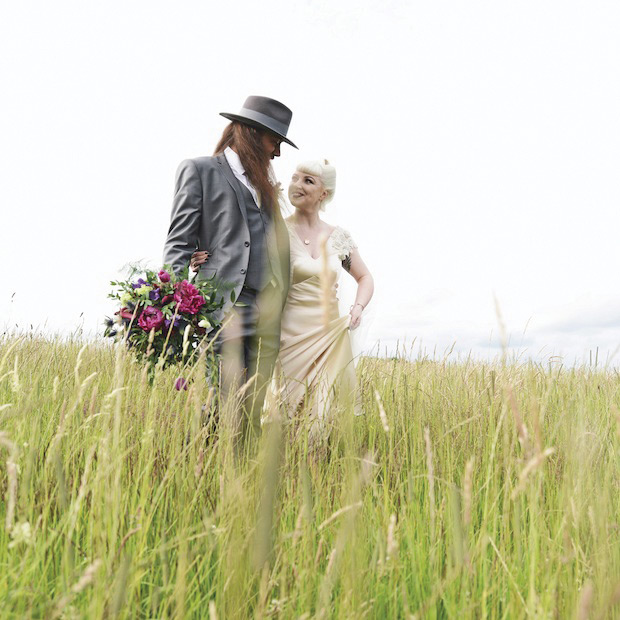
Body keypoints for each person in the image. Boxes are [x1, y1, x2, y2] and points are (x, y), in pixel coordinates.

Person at [191, 159, 374, 443]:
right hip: (288, 338)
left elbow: (365, 278)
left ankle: (315, 473)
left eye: (308, 181)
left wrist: (358, 307)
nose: (296, 185)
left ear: (323, 193)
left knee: (320, 420)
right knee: (284, 417)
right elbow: (237, 255)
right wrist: (205, 258)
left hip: (328, 338)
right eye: (294, 178)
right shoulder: (274, 231)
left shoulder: (338, 237)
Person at [163, 95, 296, 445]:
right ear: (252, 133)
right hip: (223, 309)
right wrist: (178, 307)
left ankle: (244, 484)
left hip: (266, 314)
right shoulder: (200, 170)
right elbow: (178, 243)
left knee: (253, 409)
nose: (277, 152)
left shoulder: (265, 186)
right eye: (275, 141)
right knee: (223, 403)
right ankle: (207, 477)